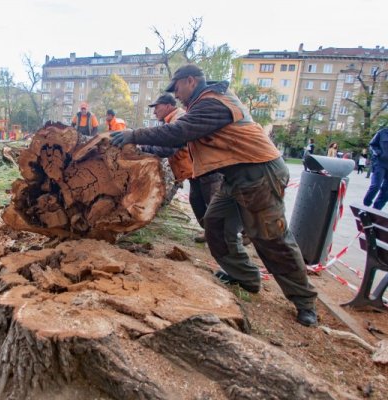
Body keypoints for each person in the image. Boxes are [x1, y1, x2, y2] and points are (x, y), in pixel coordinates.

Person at [110, 64, 318, 327]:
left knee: (270, 238)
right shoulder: (200, 106)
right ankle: (245, 276)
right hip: (233, 177)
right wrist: (140, 149)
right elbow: (177, 142)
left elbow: (178, 133)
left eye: (177, 88)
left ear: (191, 80)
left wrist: (133, 134)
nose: (176, 95)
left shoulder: (213, 103)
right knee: (215, 226)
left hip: (258, 172)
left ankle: (304, 300)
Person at [141, 93, 224, 244]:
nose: (154, 112)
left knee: (213, 205)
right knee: (197, 201)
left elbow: (168, 148)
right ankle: (211, 234)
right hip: (194, 171)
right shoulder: (170, 120)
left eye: (157, 108)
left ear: (167, 106)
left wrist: (143, 148)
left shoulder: (179, 118)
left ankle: (233, 236)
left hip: (207, 168)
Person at [363, 127, 388, 209]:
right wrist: (378, 153)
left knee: (386, 191)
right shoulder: (382, 132)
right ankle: (366, 204)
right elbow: (372, 144)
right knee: (375, 186)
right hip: (380, 163)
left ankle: (376, 210)